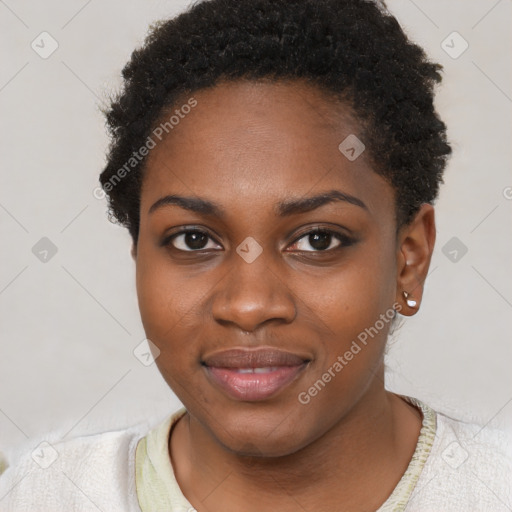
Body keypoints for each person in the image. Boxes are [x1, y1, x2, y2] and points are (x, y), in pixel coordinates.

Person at [1, 0, 511, 510]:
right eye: (193, 240)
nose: (248, 305)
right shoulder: (42, 496)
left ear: (409, 257)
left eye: (318, 240)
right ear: (138, 254)